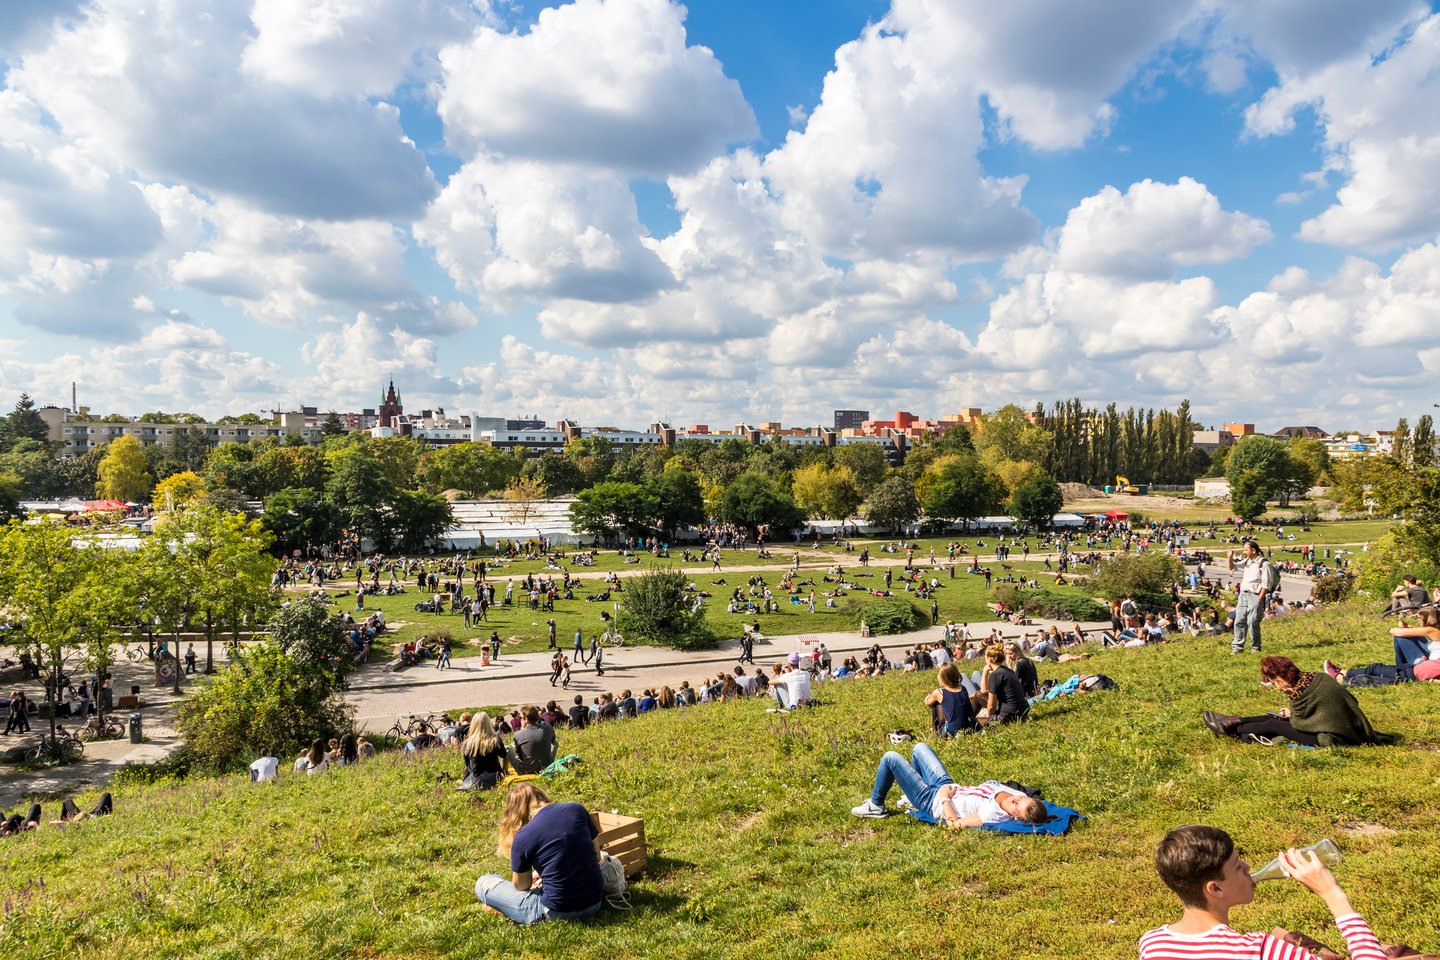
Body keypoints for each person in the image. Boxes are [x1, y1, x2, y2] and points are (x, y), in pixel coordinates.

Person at [1139, 825, 1387, 960]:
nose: (1248, 868)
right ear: (1215, 888)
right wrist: (1333, 895)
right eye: (1238, 866)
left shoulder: (1152, 944)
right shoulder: (1259, 950)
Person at [475, 783, 604, 924]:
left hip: (557, 911)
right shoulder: (576, 808)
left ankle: (501, 902)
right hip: (595, 902)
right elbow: (596, 855)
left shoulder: (523, 836)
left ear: (514, 813)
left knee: (484, 882)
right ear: (542, 796)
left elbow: (521, 886)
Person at [1202, 656, 1397, 747]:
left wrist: (1292, 715)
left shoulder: (1299, 692)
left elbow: (1299, 723)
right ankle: (1234, 721)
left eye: (1276, 682)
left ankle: (1231, 729)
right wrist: (1292, 713)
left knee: (1274, 723)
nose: (1278, 687)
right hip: (1351, 727)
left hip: (1335, 738)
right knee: (1277, 717)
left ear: (1283, 676)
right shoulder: (1316, 677)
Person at [849, 742, 1047, 827]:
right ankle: (909, 798)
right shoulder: (1012, 793)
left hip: (933, 801)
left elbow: (954, 824)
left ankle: (876, 805)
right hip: (950, 786)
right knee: (920, 748)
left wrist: (944, 798)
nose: (1015, 799)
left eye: (1016, 805)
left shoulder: (992, 814)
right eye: (1020, 798)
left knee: (890, 758)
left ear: (1014, 816)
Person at [1228, 540, 1274, 654]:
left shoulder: (1264, 564)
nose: (1244, 552)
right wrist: (1230, 558)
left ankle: (1255, 648)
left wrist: (1259, 600)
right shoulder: (1247, 561)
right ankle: (1237, 647)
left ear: (1253, 550)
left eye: (1246, 550)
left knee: (1252, 622)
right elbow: (1232, 567)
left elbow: (1266, 584)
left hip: (1255, 594)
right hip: (1243, 594)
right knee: (1239, 620)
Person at [980, 644, 1030, 725]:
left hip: (1008, 716)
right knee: (978, 695)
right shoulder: (1008, 671)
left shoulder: (995, 675)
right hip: (1022, 711)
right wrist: (985, 673)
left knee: (971, 721)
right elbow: (983, 691)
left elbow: (991, 706)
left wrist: (989, 719)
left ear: (990, 659)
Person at [925, 663, 978, 737]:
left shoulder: (939, 692)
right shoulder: (963, 688)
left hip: (951, 731)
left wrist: (927, 698)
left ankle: (936, 731)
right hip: (970, 727)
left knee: (936, 703)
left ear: (942, 677)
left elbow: (928, 703)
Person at [459, 713, 507, 791]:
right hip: (493, 776)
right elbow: (504, 754)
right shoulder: (495, 740)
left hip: (473, 778)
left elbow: (467, 763)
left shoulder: (467, 743)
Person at [508, 706, 557, 775]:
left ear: (526, 719)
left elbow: (521, 756)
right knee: (555, 742)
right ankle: (549, 761)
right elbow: (553, 740)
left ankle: (504, 771)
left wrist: (522, 729)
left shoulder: (518, 734)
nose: (520, 720)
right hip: (547, 766)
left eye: (521, 718)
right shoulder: (548, 727)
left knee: (507, 749)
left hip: (526, 771)